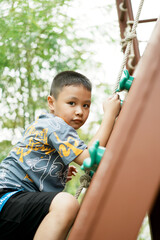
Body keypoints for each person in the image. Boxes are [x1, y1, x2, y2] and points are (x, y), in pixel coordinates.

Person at [0, 71, 121, 240]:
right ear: (51, 103)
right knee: (67, 204)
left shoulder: (46, 126)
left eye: (86, 105)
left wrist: (58, 169)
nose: (80, 111)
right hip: (8, 199)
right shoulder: (55, 125)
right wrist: (109, 115)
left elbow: (33, 158)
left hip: (15, 207)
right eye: (72, 103)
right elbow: (88, 157)